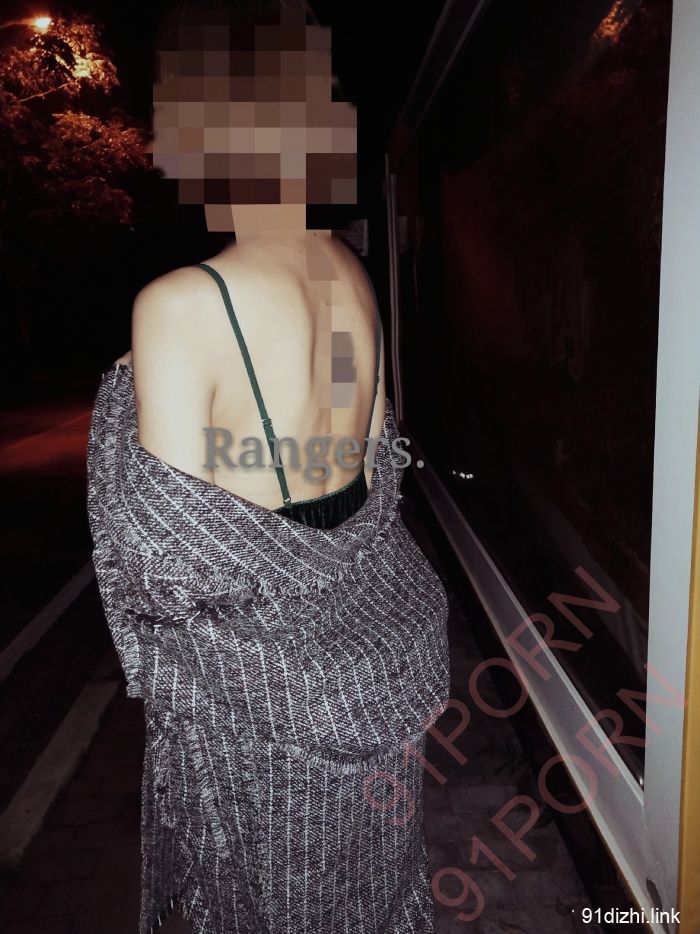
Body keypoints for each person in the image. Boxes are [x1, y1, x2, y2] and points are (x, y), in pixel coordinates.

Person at [87, 1, 451, 932]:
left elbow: (168, 566)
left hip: (264, 710)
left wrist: (121, 401)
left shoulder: (179, 304)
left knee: (267, 900)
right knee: (370, 890)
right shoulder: (350, 273)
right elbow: (370, 463)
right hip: (377, 660)